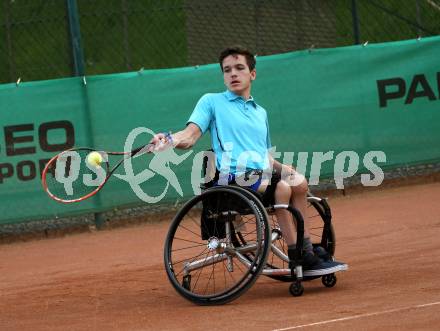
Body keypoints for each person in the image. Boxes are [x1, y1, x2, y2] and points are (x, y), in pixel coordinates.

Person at [150, 46, 346, 275]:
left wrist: (283, 168)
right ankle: (297, 257)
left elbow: (264, 155)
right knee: (281, 187)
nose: (233, 74)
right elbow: (190, 135)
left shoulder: (260, 112)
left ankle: (307, 248)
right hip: (232, 180)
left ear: (252, 74)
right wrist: (170, 139)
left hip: (260, 176)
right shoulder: (211, 102)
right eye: (227, 70)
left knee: (299, 182)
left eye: (239, 68)